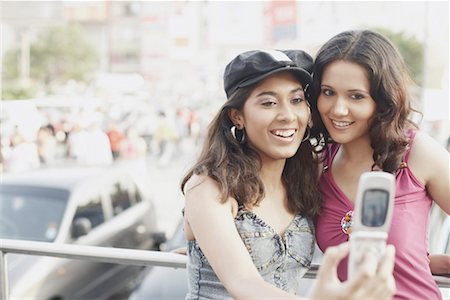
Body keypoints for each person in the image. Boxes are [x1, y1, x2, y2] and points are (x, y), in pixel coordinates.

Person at [181, 49, 396, 299]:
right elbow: (244, 284)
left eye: (296, 100)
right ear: (237, 116)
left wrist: (423, 260)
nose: (287, 116)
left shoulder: (304, 180)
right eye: (269, 103)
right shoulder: (209, 185)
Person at [311, 30, 450, 300]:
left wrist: (415, 260)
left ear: (382, 100)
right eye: (328, 92)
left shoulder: (415, 153)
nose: (338, 109)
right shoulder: (318, 165)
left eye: (356, 96)